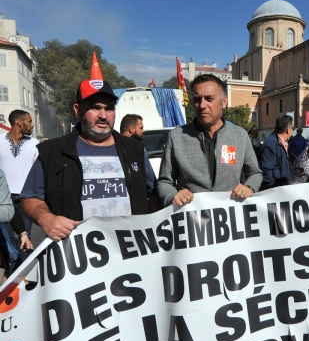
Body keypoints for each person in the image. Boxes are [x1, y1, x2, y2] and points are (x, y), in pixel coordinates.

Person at [21, 74, 157, 241]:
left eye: (109, 108)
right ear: (78, 110)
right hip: (79, 258)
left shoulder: (135, 149)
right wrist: (46, 219)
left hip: (130, 251)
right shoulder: (52, 152)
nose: (103, 115)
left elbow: (154, 193)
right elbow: (30, 198)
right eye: (94, 107)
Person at [157, 74, 262, 206]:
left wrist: (250, 187)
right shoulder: (177, 136)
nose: (202, 105)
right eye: (197, 99)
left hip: (231, 218)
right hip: (192, 219)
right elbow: (164, 182)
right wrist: (172, 196)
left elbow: (255, 173)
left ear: (224, 102)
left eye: (209, 99)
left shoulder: (240, 135)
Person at [0, 110, 38, 268]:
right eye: (29, 121)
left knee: (24, 237)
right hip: (3, 201)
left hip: (25, 198)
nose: (32, 124)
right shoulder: (0, 141)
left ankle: (23, 278)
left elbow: (39, 172)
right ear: (18, 122)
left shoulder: (34, 144)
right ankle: (9, 279)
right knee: (6, 240)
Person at [261, 115, 294, 189]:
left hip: (283, 185)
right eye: (293, 129)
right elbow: (267, 170)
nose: (293, 131)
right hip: (275, 188)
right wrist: (272, 188)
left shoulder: (283, 142)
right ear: (288, 129)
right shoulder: (271, 143)